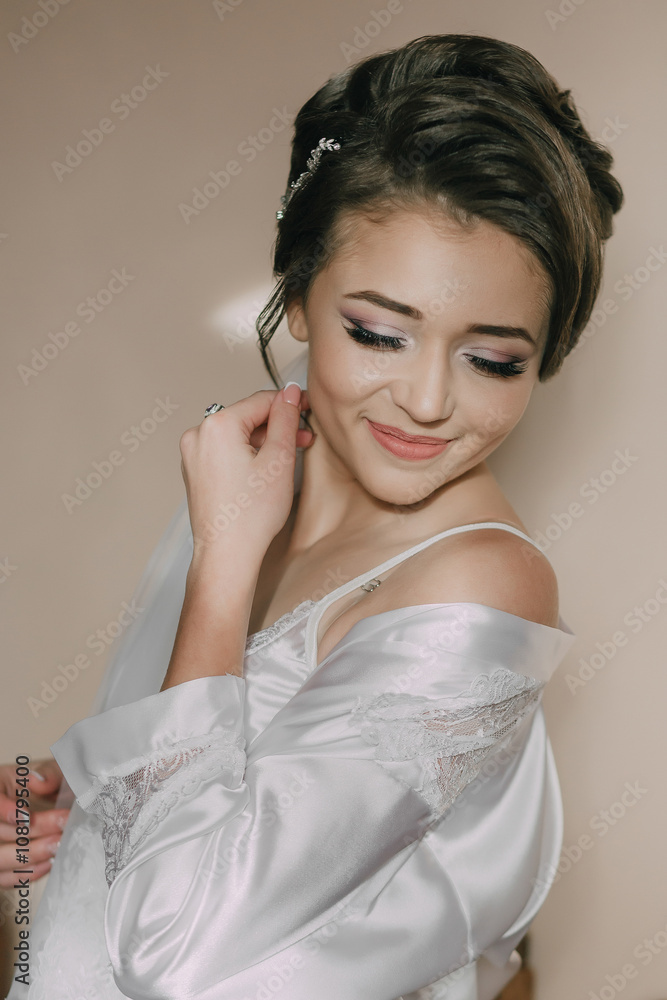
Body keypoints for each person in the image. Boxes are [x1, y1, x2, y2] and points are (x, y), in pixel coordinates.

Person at [3, 32, 623, 1000]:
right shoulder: (258, 482)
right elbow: (224, 778)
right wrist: (63, 798)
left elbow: (174, 951)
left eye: (492, 358)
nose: (426, 400)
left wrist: (222, 568)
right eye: (377, 332)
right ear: (296, 296)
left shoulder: (477, 586)